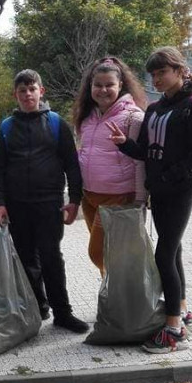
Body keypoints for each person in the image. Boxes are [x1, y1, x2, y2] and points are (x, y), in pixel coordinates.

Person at [106, 47, 192, 353]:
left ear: (180, 71)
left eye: (162, 72)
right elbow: (146, 153)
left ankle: (174, 329)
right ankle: (183, 310)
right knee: (172, 251)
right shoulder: (153, 109)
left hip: (180, 190)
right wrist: (125, 145)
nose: (156, 79)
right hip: (158, 191)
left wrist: (167, 177)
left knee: (164, 255)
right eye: (153, 74)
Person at [0, 69, 88, 333]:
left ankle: (63, 313)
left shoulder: (56, 123)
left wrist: (75, 199)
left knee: (50, 258)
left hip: (49, 203)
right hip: (17, 205)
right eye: (22, 91)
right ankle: (37, 308)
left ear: (40, 92)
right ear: (16, 94)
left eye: (32, 89)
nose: (27, 94)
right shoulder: (6, 127)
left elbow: (72, 163)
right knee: (25, 259)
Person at [72, 57, 147, 276]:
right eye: (98, 85)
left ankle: (124, 289)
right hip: (89, 196)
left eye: (109, 85)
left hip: (118, 197)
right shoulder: (86, 116)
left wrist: (140, 200)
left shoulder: (133, 117)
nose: (103, 90)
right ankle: (115, 295)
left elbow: (140, 160)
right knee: (110, 252)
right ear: (90, 87)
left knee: (98, 253)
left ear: (121, 85)